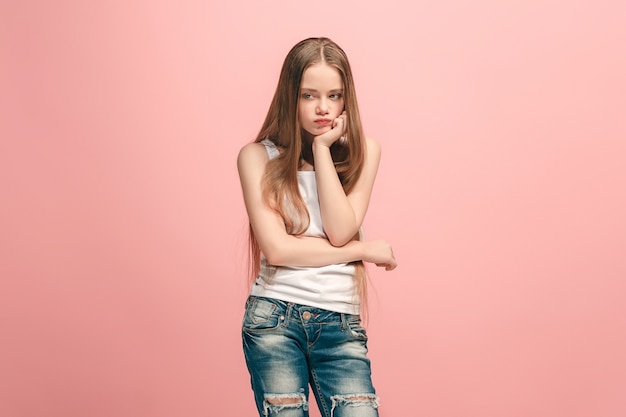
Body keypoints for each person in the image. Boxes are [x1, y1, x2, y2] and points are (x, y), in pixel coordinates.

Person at [237, 37, 397, 417]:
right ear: (290, 96)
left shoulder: (365, 151)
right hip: (275, 319)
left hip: (340, 322)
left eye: (334, 95)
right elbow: (278, 250)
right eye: (309, 95)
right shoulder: (257, 157)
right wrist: (362, 250)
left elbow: (340, 229)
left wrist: (323, 150)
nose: (323, 108)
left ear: (347, 99)